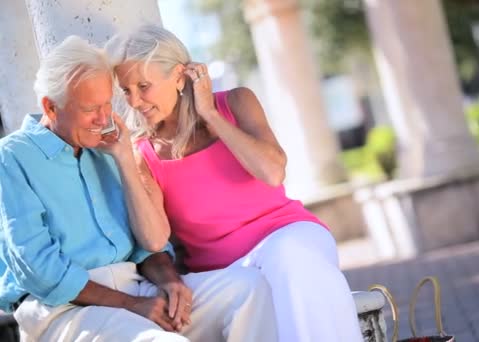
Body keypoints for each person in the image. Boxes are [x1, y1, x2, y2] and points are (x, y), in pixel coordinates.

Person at [0, 35, 278, 342]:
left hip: (135, 286)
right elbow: (39, 267)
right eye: (91, 108)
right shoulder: (12, 158)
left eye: (108, 104)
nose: (104, 119)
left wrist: (170, 283)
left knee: (246, 290)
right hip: (63, 309)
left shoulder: (108, 148)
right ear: (51, 108)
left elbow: (147, 245)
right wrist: (133, 304)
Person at [106, 25, 363, 342]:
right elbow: (155, 240)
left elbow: (273, 173)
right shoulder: (144, 154)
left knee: (289, 257)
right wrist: (125, 161)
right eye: (126, 90)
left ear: (178, 76)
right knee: (269, 286)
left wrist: (211, 115)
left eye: (143, 86)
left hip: (289, 236)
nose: (134, 101)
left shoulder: (236, 103)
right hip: (227, 275)